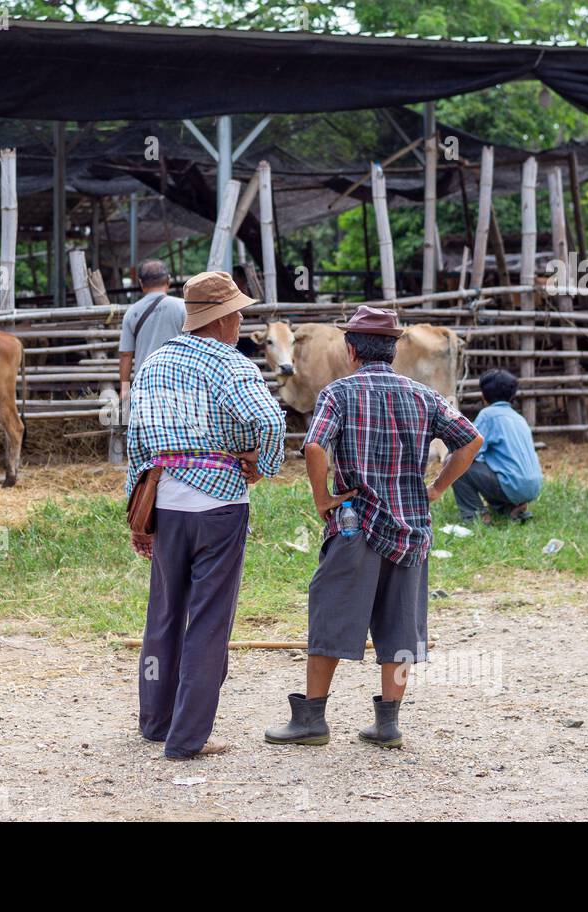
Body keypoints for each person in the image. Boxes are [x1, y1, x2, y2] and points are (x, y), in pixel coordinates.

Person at [265, 306, 482, 750]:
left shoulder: (337, 394)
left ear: (350, 349)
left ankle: (312, 718)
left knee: (331, 617)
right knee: (401, 626)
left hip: (355, 525)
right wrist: (437, 488)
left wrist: (322, 497)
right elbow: (471, 440)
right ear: (395, 347)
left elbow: (313, 447)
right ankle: (388, 725)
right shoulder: (422, 396)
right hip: (410, 527)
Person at [126, 271, 286, 760]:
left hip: (167, 501)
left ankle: (156, 722)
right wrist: (263, 463)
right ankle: (188, 737)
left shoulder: (154, 364)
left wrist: (139, 514)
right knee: (210, 621)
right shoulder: (231, 365)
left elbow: (137, 439)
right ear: (218, 319)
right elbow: (269, 421)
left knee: (165, 614)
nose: (240, 320)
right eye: (236, 312)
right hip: (220, 505)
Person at [451, 369, 543, 523]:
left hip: (512, 484)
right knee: (491, 466)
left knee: (456, 463)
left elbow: (469, 448)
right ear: (512, 395)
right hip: (533, 486)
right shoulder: (518, 418)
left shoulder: (489, 415)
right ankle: (510, 509)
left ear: (483, 396)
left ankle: (475, 516)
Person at [119, 260, 186, 408]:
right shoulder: (183, 307)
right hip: (179, 383)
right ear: (168, 280)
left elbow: (126, 355)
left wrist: (124, 390)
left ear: (141, 283)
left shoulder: (132, 312)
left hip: (145, 385)